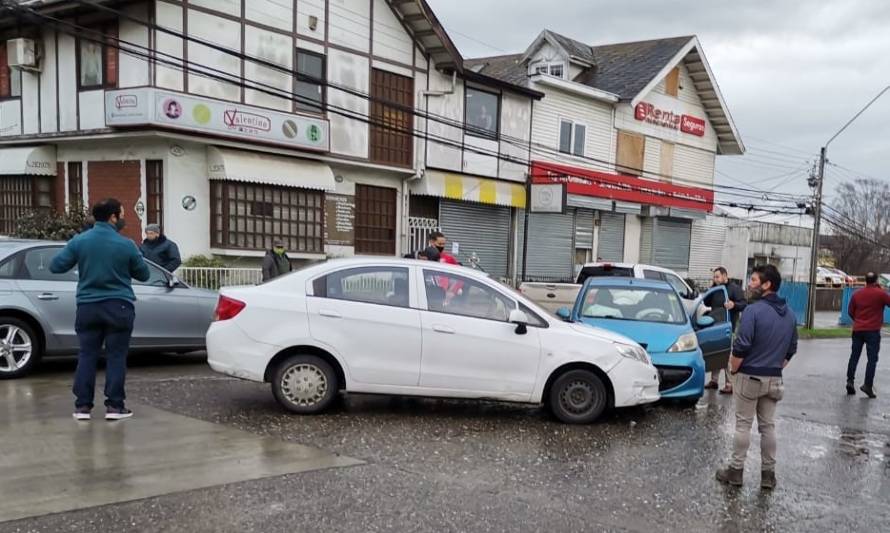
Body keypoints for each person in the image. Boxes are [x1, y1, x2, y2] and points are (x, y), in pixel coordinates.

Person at [50, 198, 150, 421]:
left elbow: (56, 266)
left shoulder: (80, 241)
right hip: (119, 305)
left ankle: (82, 407)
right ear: (113, 217)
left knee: (87, 355)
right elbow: (144, 274)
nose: (123, 219)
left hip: (87, 306)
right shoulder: (126, 244)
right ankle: (115, 407)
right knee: (116, 356)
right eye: (122, 214)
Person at [716, 264, 797, 490]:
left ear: (766, 284)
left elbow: (741, 346)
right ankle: (768, 476)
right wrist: (773, 366)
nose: (749, 284)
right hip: (774, 379)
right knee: (768, 427)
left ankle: (735, 472)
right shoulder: (790, 314)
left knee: (743, 425)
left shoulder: (753, 311)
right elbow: (791, 349)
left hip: (750, 376)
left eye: (753, 280)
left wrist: (733, 369)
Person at [704, 266, 748, 394]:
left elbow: (744, 304)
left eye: (717, 277)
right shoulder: (715, 288)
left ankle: (729, 384)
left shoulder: (734, 289)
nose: (715, 279)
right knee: (716, 353)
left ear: (725, 276)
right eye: (714, 277)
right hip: (715, 325)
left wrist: (734, 305)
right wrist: (710, 290)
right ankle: (714, 381)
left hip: (728, 326)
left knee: (727, 355)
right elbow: (706, 303)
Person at [846, 272, 890, 398]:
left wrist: (858, 320)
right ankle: (867, 385)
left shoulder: (857, 294)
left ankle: (850, 381)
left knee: (854, 356)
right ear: (876, 280)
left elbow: (850, 311)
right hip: (873, 331)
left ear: (865, 280)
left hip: (858, 329)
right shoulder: (880, 294)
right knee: (872, 359)